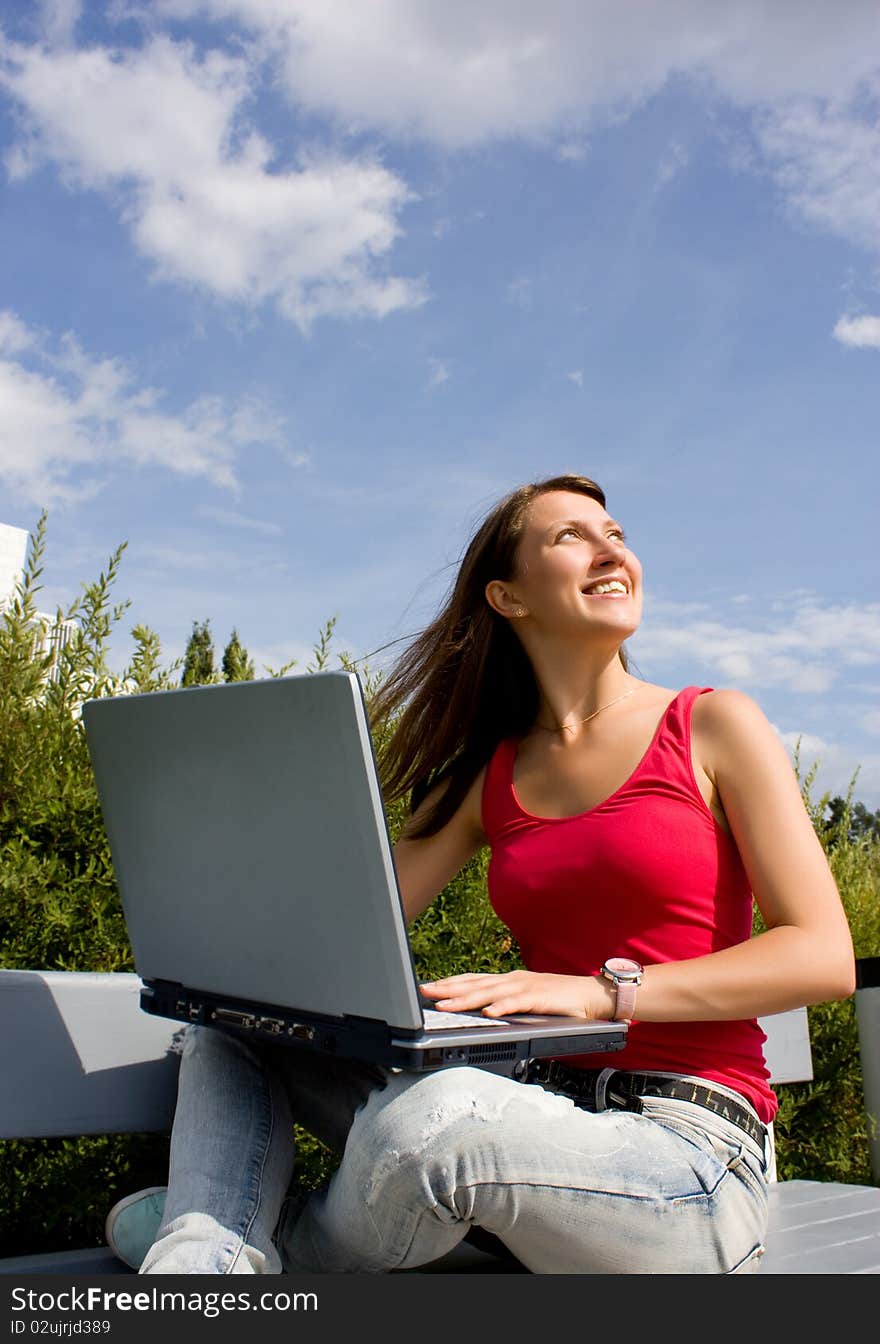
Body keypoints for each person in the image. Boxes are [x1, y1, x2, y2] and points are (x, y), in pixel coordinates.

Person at [104, 472, 855, 1275]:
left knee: (429, 1123)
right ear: (508, 596)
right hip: (522, 1117)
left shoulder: (712, 725)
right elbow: (341, 935)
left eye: (617, 533)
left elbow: (822, 955)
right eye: (572, 535)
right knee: (234, 1030)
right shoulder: (485, 776)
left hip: (689, 1152)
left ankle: (251, 1243)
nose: (612, 548)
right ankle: (201, 1262)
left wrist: (604, 994)